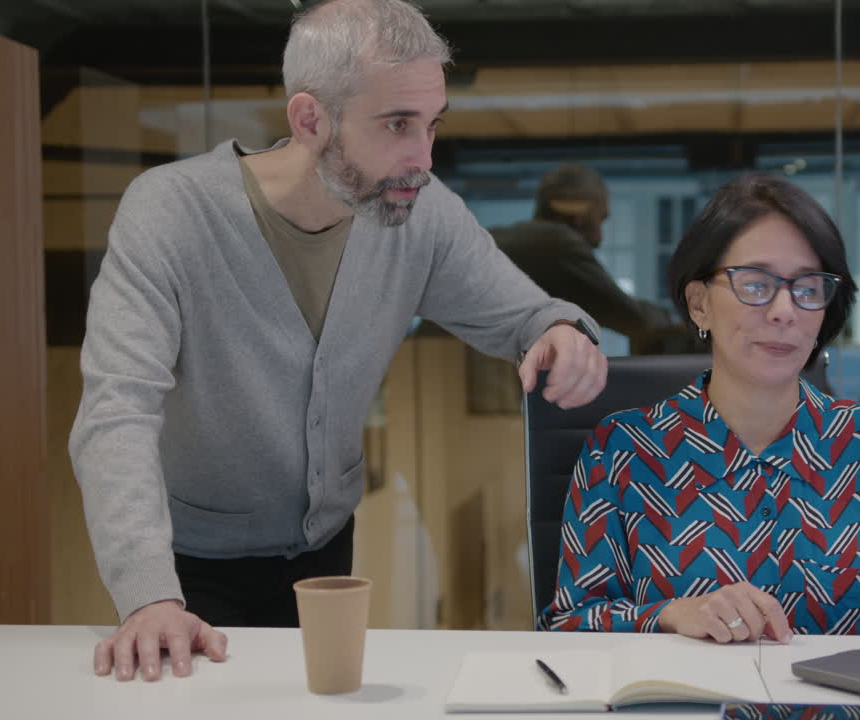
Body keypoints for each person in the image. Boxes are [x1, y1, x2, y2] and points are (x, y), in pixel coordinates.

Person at [70, 0, 606, 682]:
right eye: (397, 125)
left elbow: (527, 315)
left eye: (433, 124)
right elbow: (116, 412)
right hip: (187, 568)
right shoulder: (171, 212)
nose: (423, 158)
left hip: (326, 555)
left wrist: (562, 332)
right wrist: (148, 596)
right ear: (309, 120)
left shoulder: (421, 212)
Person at [539, 172, 860, 642]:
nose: (785, 310)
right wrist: (671, 614)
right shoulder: (623, 451)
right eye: (755, 283)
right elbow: (571, 623)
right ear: (699, 303)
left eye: (808, 288)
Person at [493, 164, 673, 352]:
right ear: (580, 214)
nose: (599, 239)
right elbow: (633, 319)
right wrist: (671, 318)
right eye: (600, 218)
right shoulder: (557, 244)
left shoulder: (509, 242)